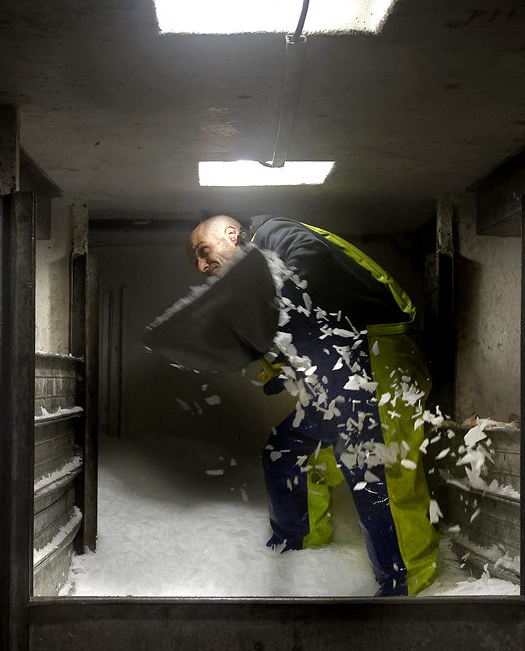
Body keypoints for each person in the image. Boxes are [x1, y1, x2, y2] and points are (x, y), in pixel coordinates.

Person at [186, 214, 440, 596]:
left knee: (376, 466)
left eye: (203, 252)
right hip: (343, 372)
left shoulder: (272, 233)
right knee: (287, 451)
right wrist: (269, 367)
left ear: (232, 234)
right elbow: (283, 327)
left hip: (381, 349)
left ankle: (406, 582)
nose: (203, 266)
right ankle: (300, 549)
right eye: (198, 263)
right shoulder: (254, 281)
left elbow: (310, 264)